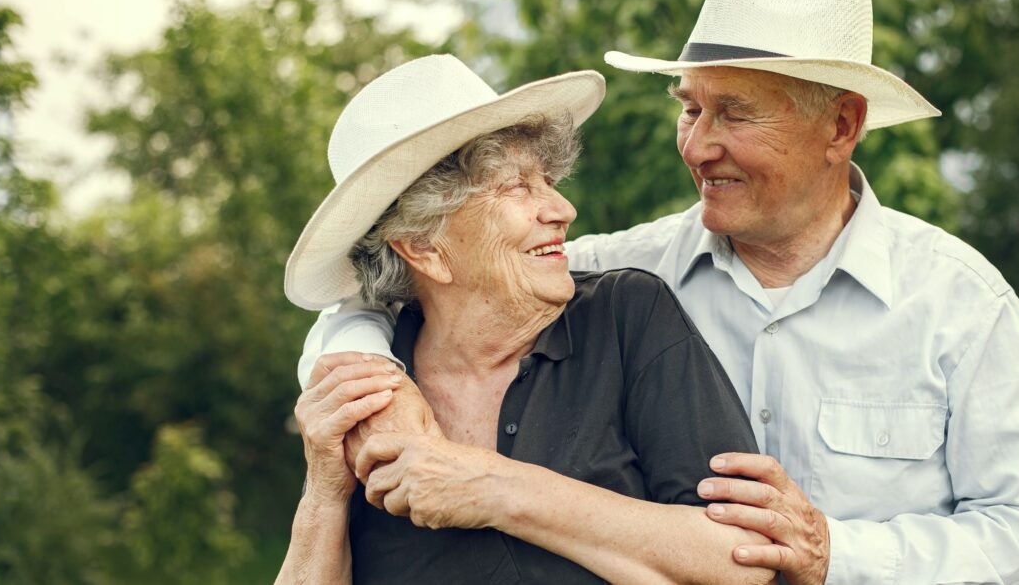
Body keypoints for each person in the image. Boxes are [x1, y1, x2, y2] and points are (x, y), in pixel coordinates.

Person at [300, 0, 1019, 583]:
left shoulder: (960, 303)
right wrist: (373, 381)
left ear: (841, 124)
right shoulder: (620, 275)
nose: (697, 144)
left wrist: (832, 553)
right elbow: (415, 282)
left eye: (736, 113)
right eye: (691, 107)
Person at [277, 54, 778, 584]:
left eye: (547, 179)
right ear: (423, 245)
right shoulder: (369, 395)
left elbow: (745, 562)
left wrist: (494, 488)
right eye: (517, 187)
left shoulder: (625, 317)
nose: (562, 209)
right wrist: (324, 492)